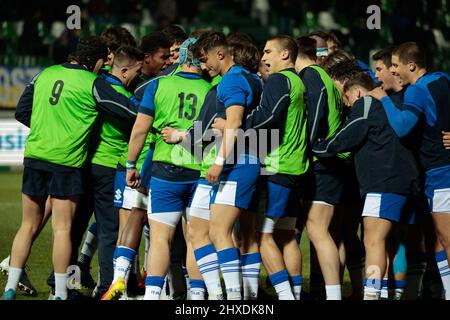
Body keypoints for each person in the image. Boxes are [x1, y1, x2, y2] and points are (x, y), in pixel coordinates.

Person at [4, 36, 138, 300]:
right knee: (63, 228)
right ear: (98, 60)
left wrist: (47, 128)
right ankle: (60, 293)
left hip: (34, 157)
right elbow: (128, 111)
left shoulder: (45, 73)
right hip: (66, 163)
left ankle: (9, 288)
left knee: (27, 225)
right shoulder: (93, 83)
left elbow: (22, 110)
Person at [314, 72, 421, 300]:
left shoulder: (365, 103)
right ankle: (398, 293)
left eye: (348, 101)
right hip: (408, 181)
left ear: (358, 92)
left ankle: (371, 296)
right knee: (395, 242)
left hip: (383, 182)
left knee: (373, 240)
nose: (349, 107)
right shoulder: (392, 103)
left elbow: (350, 133)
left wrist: (319, 147)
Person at [126, 37, 212, 300]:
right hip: (200, 171)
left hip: (166, 170)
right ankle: (197, 298)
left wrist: (131, 164)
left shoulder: (160, 85)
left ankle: (152, 295)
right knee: (197, 239)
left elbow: (140, 130)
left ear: (183, 58)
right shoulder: (212, 89)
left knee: (161, 237)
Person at [370, 42, 450, 300]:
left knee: (447, 238)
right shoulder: (443, 78)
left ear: (411, 66)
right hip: (439, 171)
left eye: (395, 65)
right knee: (439, 238)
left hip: (441, 172)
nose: (393, 71)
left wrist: (383, 100)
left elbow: (403, 126)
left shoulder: (417, 90)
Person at [193, 31, 263, 300]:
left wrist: (218, 163)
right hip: (254, 157)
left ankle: (232, 299)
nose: (204, 66)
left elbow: (233, 123)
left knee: (218, 231)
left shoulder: (231, 81)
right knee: (245, 234)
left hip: (238, 163)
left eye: (205, 60)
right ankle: (245, 296)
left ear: (219, 54)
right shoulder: (252, 77)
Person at [244, 35, 309, 300]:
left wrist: (239, 123)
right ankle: (293, 291)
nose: (263, 57)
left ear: (285, 54)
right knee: (286, 236)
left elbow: (269, 116)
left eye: (268, 51)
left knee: (263, 236)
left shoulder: (281, 80)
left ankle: (285, 296)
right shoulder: (298, 81)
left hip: (277, 167)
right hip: (296, 167)